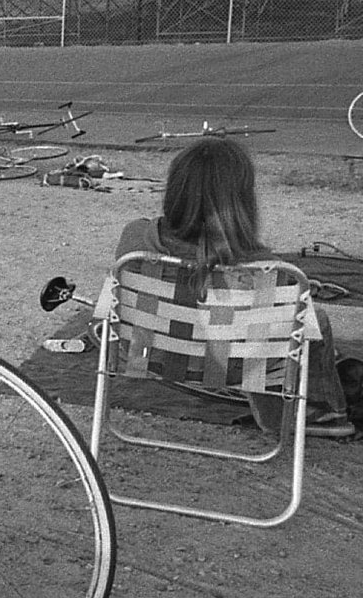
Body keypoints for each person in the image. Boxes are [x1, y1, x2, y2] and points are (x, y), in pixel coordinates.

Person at [110, 138, 355, 439]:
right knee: (313, 320)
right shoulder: (271, 271)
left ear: (175, 189)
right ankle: (320, 410)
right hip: (236, 365)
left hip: (153, 356)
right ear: (242, 201)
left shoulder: (136, 240)